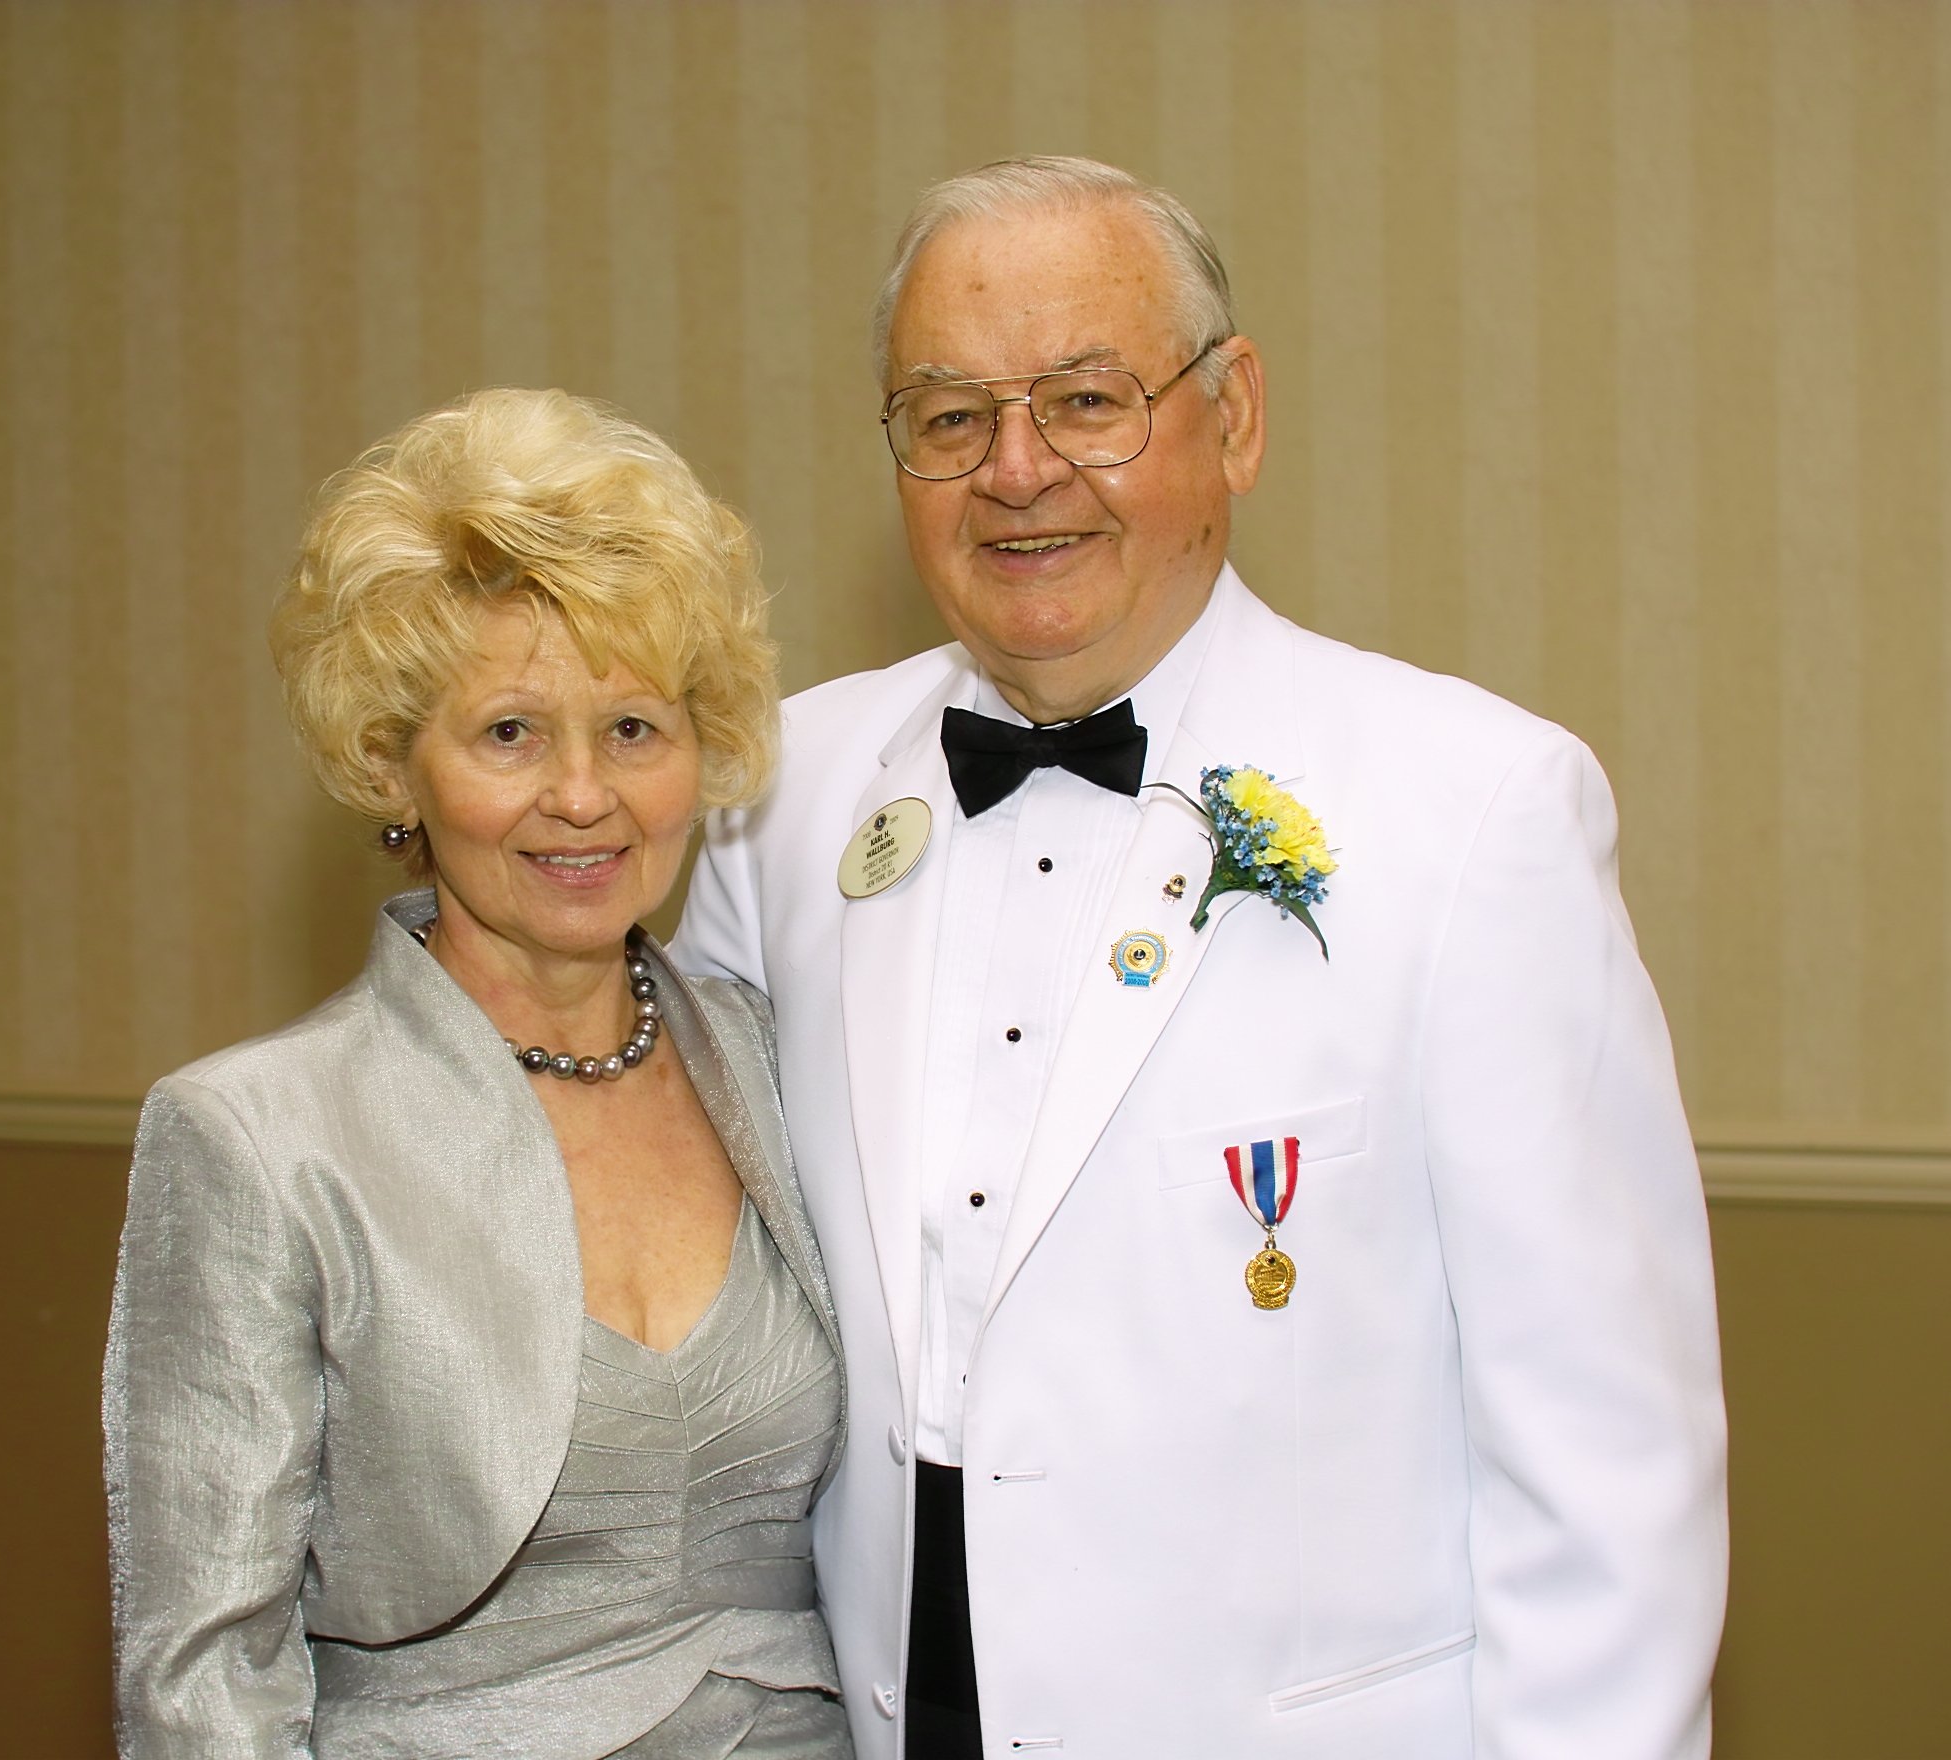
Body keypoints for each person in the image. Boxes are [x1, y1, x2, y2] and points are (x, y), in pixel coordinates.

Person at [674, 157, 1728, 1757]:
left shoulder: (1475, 812)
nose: (1016, 470)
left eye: (1088, 400)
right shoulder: (774, 800)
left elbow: (1607, 1474)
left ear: (1234, 416)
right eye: (950, 416)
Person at [104, 388, 854, 1759]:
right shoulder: (261, 1138)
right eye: (510, 732)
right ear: (395, 765)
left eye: (634, 728)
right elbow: (202, 1687)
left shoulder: (779, 1059)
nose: (583, 796)